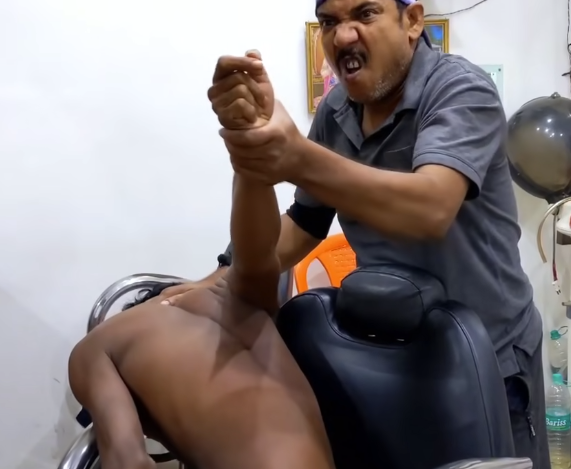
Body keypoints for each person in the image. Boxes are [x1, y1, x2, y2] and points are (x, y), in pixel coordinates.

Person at [161, 0, 550, 467]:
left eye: (365, 14)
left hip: (488, 360)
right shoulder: (336, 110)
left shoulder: (461, 90)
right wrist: (221, 278)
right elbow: (304, 223)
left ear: (412, 21)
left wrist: (296, 156)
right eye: (330, 22)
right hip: (386, 350)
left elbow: (431, 207)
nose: (343, 36)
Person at [67, 63, 334, 469]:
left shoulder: (96, 349)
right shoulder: (241, 303)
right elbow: (256, 253)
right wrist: (247, 149)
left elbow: (127, 459)